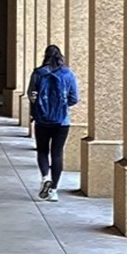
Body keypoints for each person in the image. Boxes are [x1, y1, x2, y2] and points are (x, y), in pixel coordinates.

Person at [27, 44, 79, 202]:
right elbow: (74, 98)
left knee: (42, 151)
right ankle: (54, 190)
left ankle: (45, 178)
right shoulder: (68, 74)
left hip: (42, 120)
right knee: (57, 153)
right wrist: (61, 107)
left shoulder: (38, 73)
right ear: (60, 57)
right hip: (62, 121)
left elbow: (31, 95)